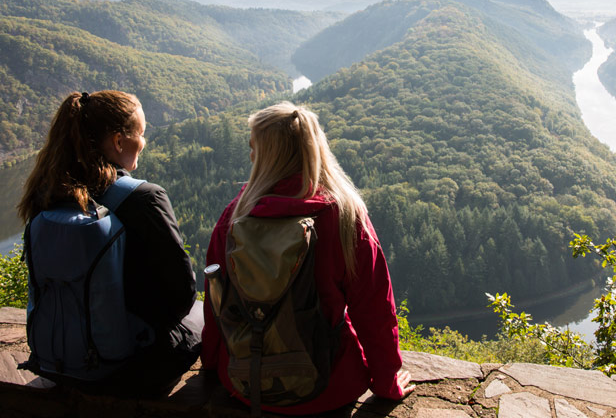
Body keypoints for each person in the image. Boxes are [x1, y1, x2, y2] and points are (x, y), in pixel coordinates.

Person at [202, 101, 415, 415]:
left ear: (268, 155)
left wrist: (213, 364)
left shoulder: (236, 216)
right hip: (329, 387)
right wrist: (386, 382)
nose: (250, 155)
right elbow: (374, 309)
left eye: (254, 147)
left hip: (246, 383)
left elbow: (217, 302)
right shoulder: (343, 216)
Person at [18, 90, 201, 396]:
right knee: (202, 311)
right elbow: (182, 294)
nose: (144, 142)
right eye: (141, 134)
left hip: (58, 358)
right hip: (127, 367)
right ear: (119, 141)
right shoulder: (144, 198)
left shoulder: (47, 192)